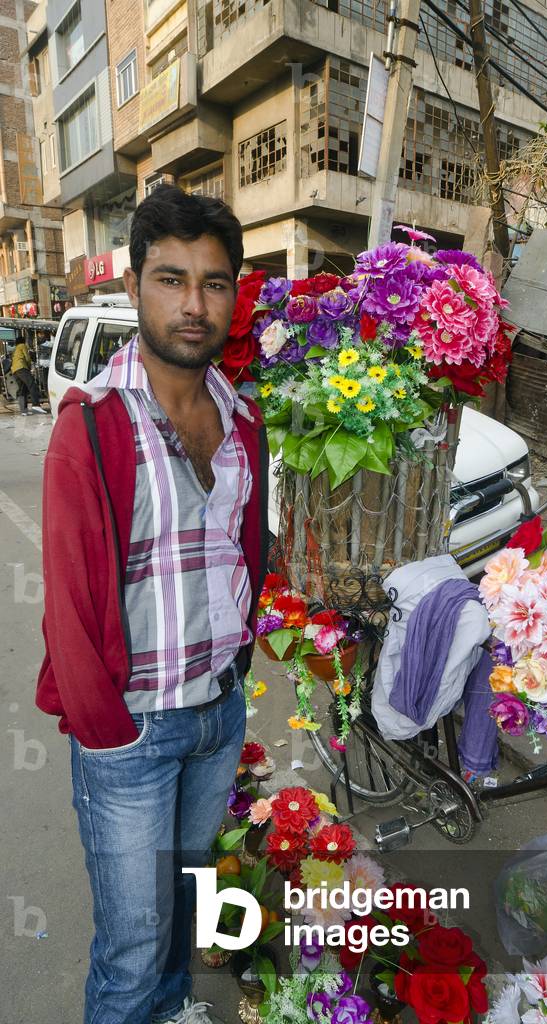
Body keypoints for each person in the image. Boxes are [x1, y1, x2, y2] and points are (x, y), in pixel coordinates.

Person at [36, 185, 269, 1024]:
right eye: (171, 279)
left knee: (185, 907)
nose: (193, 303)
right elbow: (65, 603)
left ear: (234, 295)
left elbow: (248, 552)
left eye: (213, 282)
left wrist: (236, 674)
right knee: (132, 947)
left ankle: (177, 1013)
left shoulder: (244, 424)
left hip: (215, 718)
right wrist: (109, 732)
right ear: (134, 285)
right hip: (131, 731)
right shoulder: (94, 424)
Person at [11, 334, 47, 414]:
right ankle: (36, 405)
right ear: (23, 341)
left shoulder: (15, 349)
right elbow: (27, 358)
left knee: (22, 389)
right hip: (22, 367)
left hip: (15, 370)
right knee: (32, 385)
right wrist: (30, 366)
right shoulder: (22, 345)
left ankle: (23, 410)